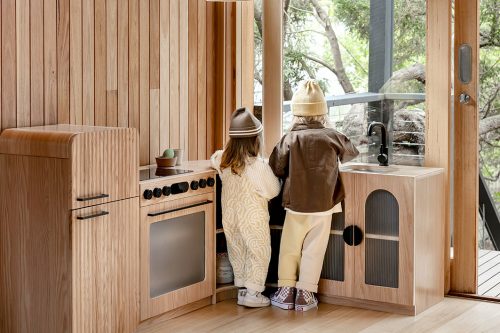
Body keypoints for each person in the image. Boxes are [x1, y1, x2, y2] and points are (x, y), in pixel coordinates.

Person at [269, 80, 359, 311]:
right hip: (324, 205)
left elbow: (276, 168)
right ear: (322, 113)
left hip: (296, 204)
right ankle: (306, 294)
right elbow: (352, 155)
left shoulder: (288, 138)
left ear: (296, 114)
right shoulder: (332, 136)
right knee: (314, 249)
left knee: (290, 248)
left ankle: (286, 291)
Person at [211, 107, 281, 308]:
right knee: (259, 252)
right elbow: (273, 190)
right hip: (252, 217)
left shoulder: (222, 161)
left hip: (230, 217)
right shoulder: (257, 166)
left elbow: (214, 156)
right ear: (255, 140)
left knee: (238, 250)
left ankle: (242, 289)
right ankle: (253, 293)